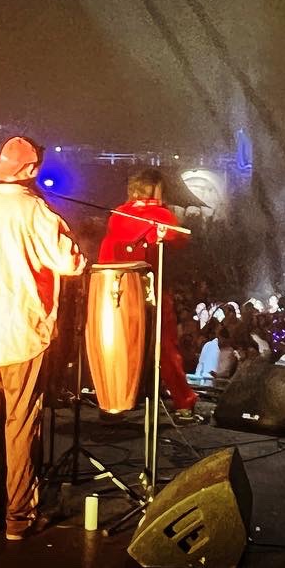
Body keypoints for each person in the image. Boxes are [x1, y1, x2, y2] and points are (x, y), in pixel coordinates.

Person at [0, 137, 85, 544]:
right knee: (21, 426)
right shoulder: (35, 211)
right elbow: (70, 263)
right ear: (30, 169)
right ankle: (18, 518)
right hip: (21, 335)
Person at [98, 168, 198, 424]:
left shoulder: (118, 214)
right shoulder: (160, 215)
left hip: (118, 289)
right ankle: (183, 402)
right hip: (150, 286)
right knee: (165, 345)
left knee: (119, 344)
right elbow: (178, 239)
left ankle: (114, 398)